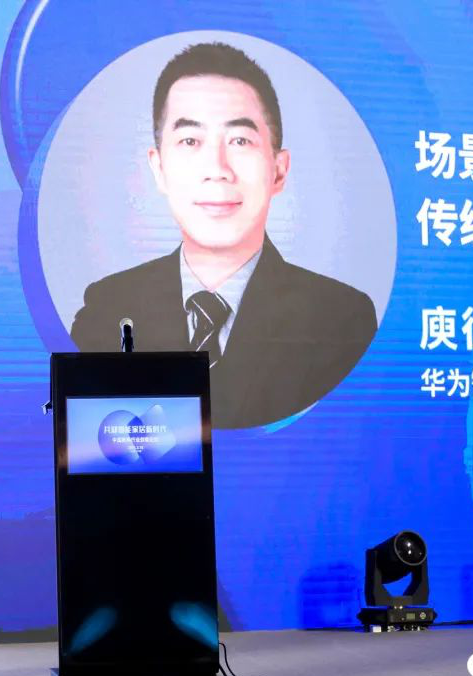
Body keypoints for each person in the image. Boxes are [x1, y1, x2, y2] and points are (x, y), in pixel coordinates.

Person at [70, 42, 376, 429]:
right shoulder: (107, 310)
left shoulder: (341, 322)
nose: (217, 169)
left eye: (240, 141)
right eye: (190, 141)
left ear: (279, 170)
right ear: (159, 168)